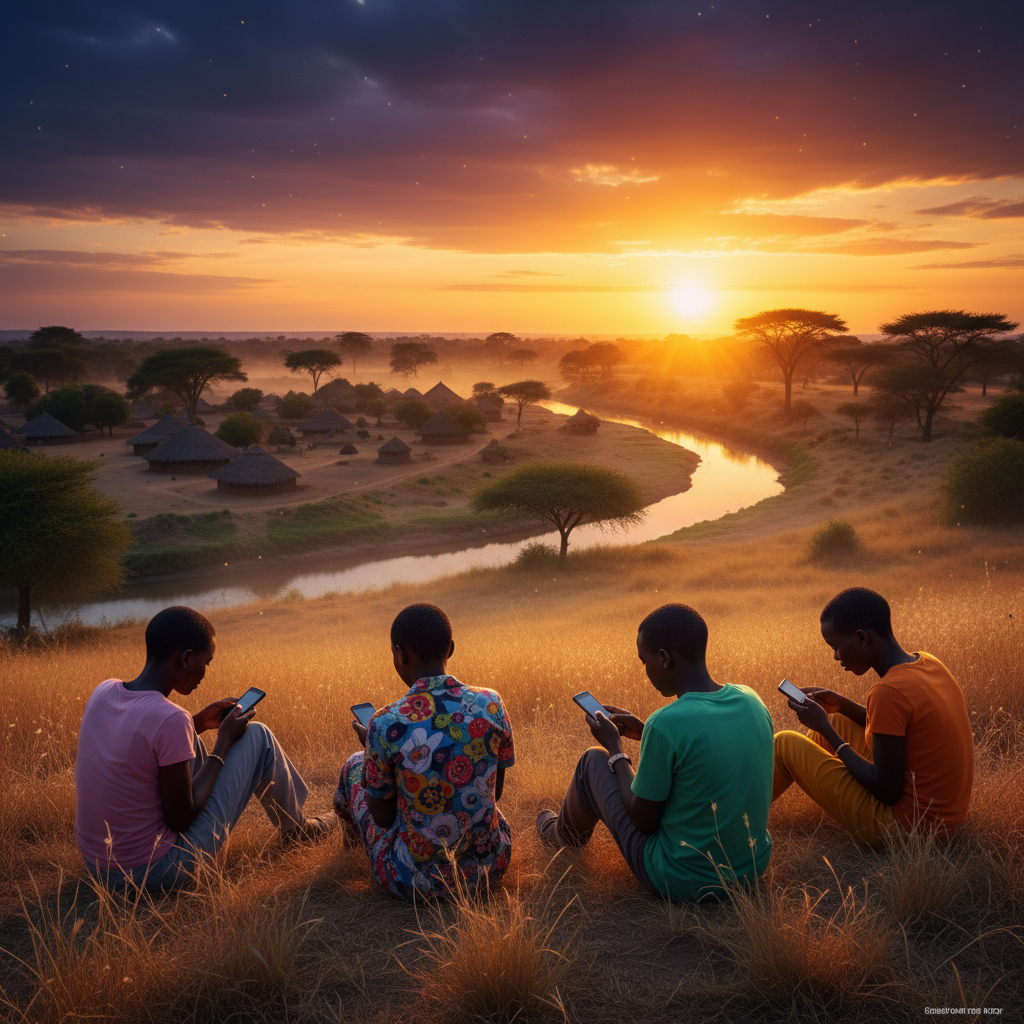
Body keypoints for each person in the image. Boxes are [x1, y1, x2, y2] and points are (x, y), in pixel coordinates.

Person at [75, 606, 330, 890]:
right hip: (154, 872)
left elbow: (137, 746)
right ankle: (297, 831)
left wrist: (195, 723)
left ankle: (295, 827)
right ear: (186, 658)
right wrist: (222, 745)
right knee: (259, 735)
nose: (206, 672)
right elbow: (181, 818)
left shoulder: (104, 691)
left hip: (98, 866)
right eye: (207, 662)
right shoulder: (169, 718)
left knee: (189, 737)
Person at [536, 603, 774, 902]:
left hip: (683, 879)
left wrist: (615, 748)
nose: (644, 670)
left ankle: (560, 836)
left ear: (663, 658)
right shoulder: (751, 698)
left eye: (643, 660)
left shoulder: (668, 723)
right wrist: (644, 730)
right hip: (751, 868)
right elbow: (705, 749)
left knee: (591, 761)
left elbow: (642, 822)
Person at [334, 603, 515, 899]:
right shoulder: (491, 703)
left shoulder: (384, 722)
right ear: (451, 648)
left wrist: (372, 753)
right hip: (489, 868)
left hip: (411, 879)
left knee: (354, 766)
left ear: (399, 653)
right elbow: (494, 795)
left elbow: (381, 817)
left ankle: (353, 846)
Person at [772, 587, 974, 847]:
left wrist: (825, 730)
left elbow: (887, 791)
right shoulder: (928, 663)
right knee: (838, 719)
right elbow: (901, 729)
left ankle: (731, 822)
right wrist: (841, 705)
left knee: (786, 744)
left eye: (835, 646)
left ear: (861, 638)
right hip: (946, 819)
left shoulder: (887, 692)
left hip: (910, 830)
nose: (835, 656)